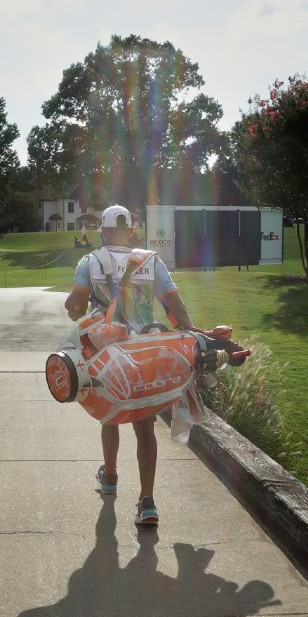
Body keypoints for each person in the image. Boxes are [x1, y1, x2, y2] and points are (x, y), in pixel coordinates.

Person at [63, 204, 196, 526]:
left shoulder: (90, 261)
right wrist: (189, 334)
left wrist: (75, 306)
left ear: (104, 232)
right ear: (132, 231)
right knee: (145, 422)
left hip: (108, 351)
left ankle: (110, 476)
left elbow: (77, 306)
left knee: (109, 412)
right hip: (144, 349)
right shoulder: (150, 260)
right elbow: (173, 305)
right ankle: (147, 501)